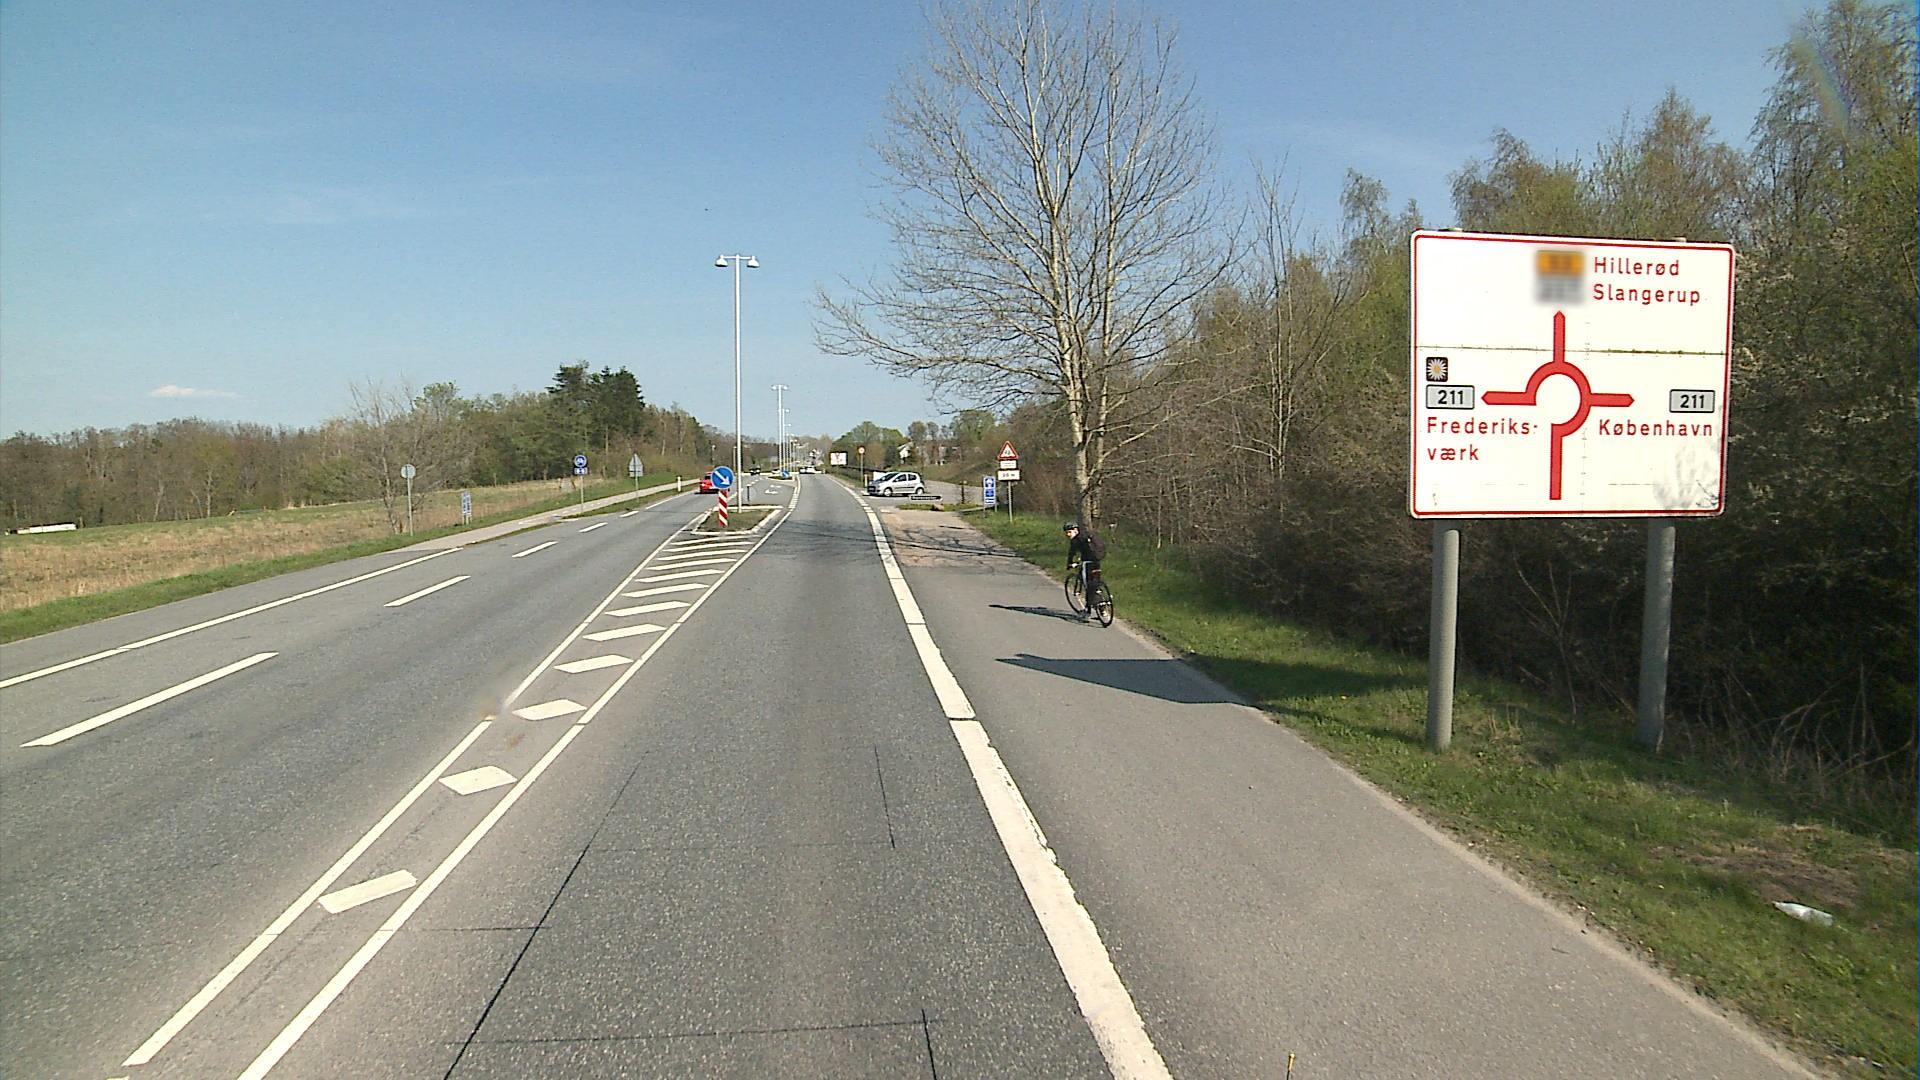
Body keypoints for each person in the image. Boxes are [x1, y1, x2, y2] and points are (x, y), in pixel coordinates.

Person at [1063, 521, 1106, 616]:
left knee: (1088, 586)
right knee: (1095, 584)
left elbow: (1072, 553)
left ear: (1076, 530)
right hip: (1097, 561)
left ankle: (1087, 610)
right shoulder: (1088, 535)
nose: (1068, 535)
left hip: (1087, 563)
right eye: (1066, 532)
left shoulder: (1076, 540)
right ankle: (1102, 608)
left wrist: (1070, 563)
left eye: (1069, 532)